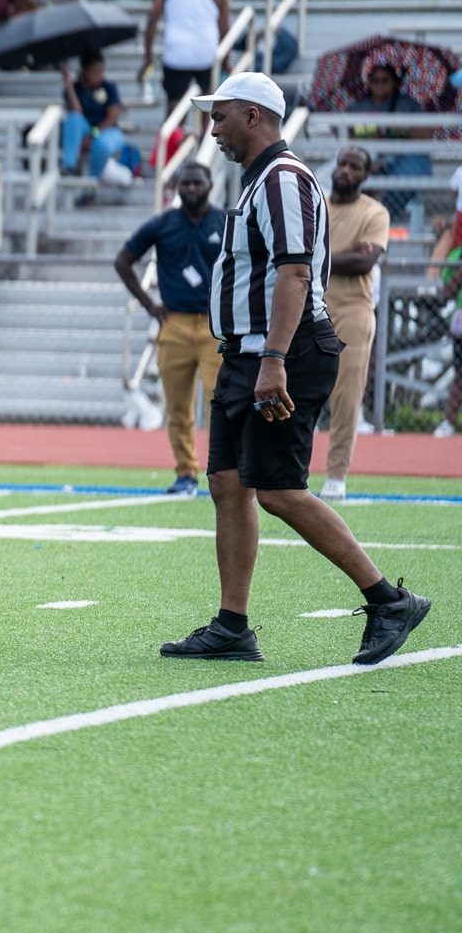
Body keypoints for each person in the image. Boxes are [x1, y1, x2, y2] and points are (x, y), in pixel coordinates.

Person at [162, 71, 430, 665]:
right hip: (247, 353)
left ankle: (389, 601)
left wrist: (275, 359)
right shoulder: (261, 179)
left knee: (280, 491)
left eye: (222, 116)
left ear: (254, 116)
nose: (214, 130)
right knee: (229, 485)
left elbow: (295, 273)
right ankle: (232, 626)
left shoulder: (282, 178)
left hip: (283, 351)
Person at [116, 162, 227, 495]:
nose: (191, 189)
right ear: (177, 187)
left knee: (219, 403)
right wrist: (150, 304)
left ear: (210, 185)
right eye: (185, 184)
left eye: (197, 183)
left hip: (213, 327)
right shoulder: (163, 224)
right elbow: (123, 261)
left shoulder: (225, 223)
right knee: (177, 407)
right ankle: (186, 473)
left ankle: (224, 473)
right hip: (174, 322)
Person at [320, 146, 390, 499]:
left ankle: (336, 475)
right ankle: (290, 469)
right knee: (296, 392)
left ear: (365, 175)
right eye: (342, 162)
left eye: (354, 166)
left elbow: (365, 263)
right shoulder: (317, 205)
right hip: (310, 307)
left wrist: (318, 257)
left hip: (353, 310)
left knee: (346, 397)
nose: (345, 169)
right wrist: (341, 257)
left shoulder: (374, 213)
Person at [144, 0, 232, 109]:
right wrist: (226, 63)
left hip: (176, 55)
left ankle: (175, 133)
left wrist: (148, 58)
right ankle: (205, 134)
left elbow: (152, 22)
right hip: (206, 55)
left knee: (175, 106)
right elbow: (224, 29)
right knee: (209, 104)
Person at [62, 51, 141, 178]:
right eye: (95, 71)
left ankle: (91, 183)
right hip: (85, 129)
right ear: (84, 71)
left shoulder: (109, 87)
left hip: (106, 132)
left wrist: (93, 135)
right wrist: (69, 86)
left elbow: (111, 119)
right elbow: (77, 112)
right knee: (73, 119)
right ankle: (69, 165)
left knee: (102, 145)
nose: (99, 74)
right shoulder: (76, 89)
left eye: (101, 70)